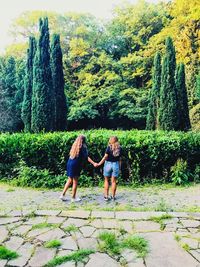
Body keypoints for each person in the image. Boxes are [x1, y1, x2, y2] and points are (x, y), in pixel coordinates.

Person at [60, 135, 97, 202]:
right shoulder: (83, 147)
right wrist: (94, 163)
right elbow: (86, 157)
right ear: (84, 141)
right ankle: (73, 198)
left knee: (69, 180)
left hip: (69, 163)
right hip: (76, 165)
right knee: (75, 181)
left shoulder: (74, 145)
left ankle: (62, 195)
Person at [97, 136, 122, 201]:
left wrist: (99, 163)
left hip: (108, 164)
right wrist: (119, 168)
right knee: (114, 181)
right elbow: (120, 159)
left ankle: (106, 196)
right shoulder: (120, 148)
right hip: (116, 164)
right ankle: (113, 196)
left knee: (106, 180)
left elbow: (105, 157)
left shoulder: (109, 147)